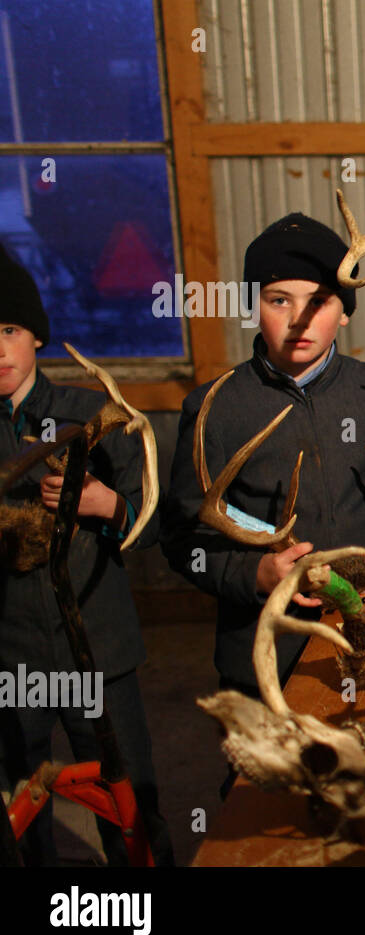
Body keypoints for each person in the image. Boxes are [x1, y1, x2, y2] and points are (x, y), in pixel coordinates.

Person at [161, 213, 365, 702]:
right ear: (254, 308)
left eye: (319, 301)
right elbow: (184, 538)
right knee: (267, 777)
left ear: (345, 311)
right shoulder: (214, 407)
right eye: (279, 300)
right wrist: (253, 575)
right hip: (266, 653)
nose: (300, 319)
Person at [0, 244, 174, 865]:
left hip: (97, 647)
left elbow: (156, 522)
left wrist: (108, 506)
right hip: (10, 655)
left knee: (128, 796)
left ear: (36, 337)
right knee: (20, 805)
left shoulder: (92, 415)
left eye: (9, 330)